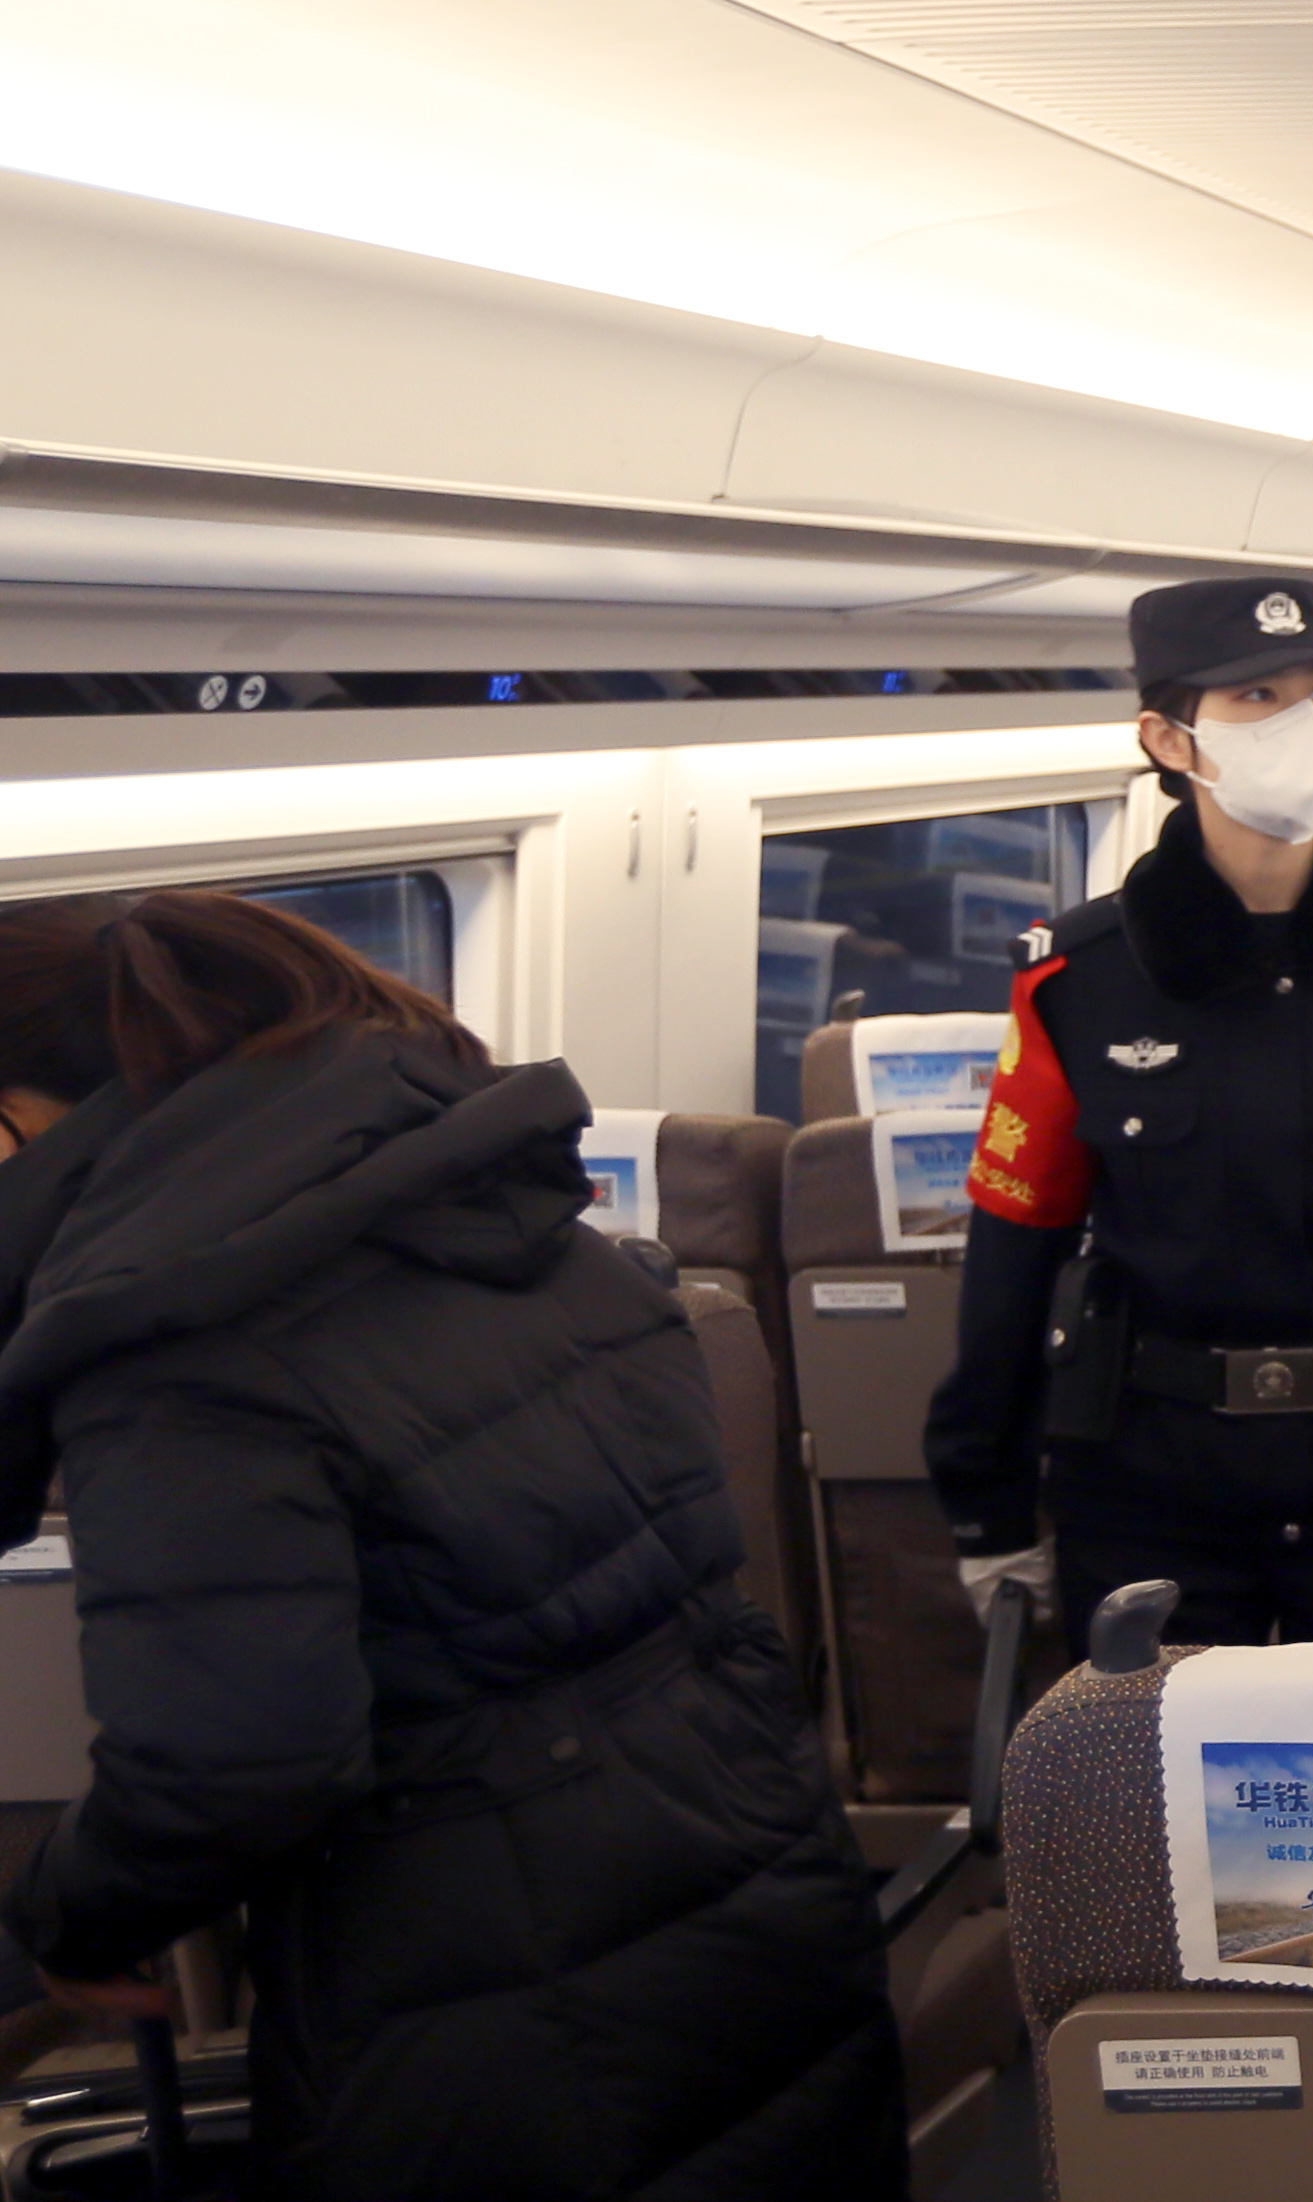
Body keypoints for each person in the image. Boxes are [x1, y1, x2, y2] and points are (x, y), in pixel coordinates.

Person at [0, 891, 901, 2200]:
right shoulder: (514, 1217)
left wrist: (68, 1918)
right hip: (745, 1865)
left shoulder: (176, 1351)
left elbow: (234, 1761)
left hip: (485, 1970)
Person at [929, 574, 1313, 1651]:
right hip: (1151, 1486)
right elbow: (1011, 1254)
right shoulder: (1076, 983)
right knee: (1160, 1807)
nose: (1305, 724)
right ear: (1169, 739)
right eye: (1257, 698)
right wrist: (986, 1501)